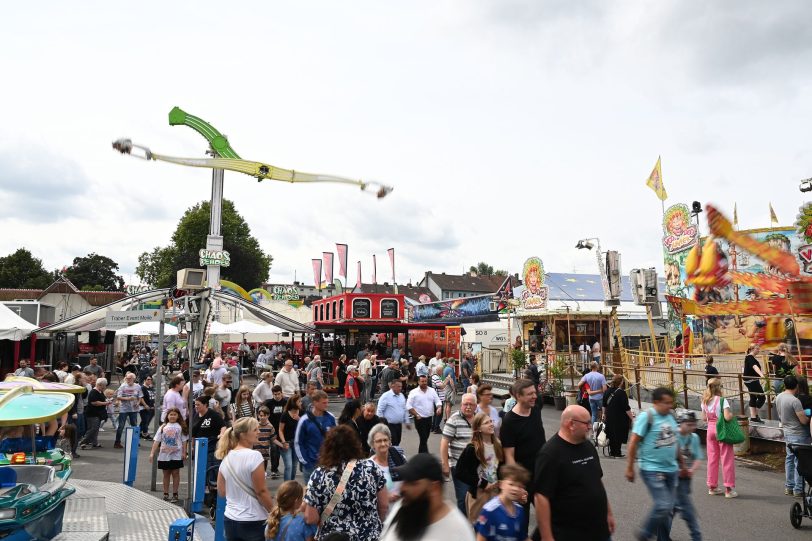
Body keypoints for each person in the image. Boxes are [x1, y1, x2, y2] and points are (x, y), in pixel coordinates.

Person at [534, 405, 614, 541]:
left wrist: (608, 513)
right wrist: (547, 537)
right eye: (587, 423)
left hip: (598, 529)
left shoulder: (588, 446)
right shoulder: (550, 454)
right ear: (571, 424)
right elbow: (541, 498)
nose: (590, 426)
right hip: (570, 533)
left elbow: (597, 482)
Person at [303, 425, 389, 541]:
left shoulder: (319, 475)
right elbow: (384, 506)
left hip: (332, 537)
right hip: (368, 536)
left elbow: (310, 518)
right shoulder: (371, 468)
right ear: (355, 445)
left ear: (328, 447)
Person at [625, 386, 680, 541]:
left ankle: (663, 538)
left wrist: (681, 463)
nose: (670, 406)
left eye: (671, 403)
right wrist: (630, 468)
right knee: (663, 504)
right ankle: (645, 533)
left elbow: (674, 441)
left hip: (671, 468)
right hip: (651, 468)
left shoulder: (670, 416)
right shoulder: (646, 417)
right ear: (656, 402)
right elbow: (633, 442)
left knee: (671, 506)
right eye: (666, 403)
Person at [379, 453, 475, 541]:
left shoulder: (458, 532)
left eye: (412, 483)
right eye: (404, 481)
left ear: (434, 488)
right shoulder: (405, 506)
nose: (403, 488)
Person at [216, 417, 275, 541]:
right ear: (243, 435)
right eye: (255, 430)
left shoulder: (226, 457)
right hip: (253, 519)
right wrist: (275, 512)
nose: (258, 432)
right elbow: (261, 492)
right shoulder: (254, 456)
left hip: (230, 518)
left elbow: (221, 491)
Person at [500, 379, 546, 535]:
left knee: (550, 518)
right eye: (530, 394)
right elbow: (509, 457)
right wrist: (517, 485)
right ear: (518, 396)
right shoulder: (509, 421)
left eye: (535, 392)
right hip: (524, 480)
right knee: (522, 522)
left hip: (541, 475)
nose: (534, 396)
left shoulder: (536, 409)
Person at [454, 413, 503, 519]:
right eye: (486, 423)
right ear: (478, 429)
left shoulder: (498, 445)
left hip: (496, 493)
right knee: (480, 530)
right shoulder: (473, 448)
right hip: (479, 494)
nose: (491, 424)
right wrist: (483, 484)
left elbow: (500, 466)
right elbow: (460, 472)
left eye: (491, 421)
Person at [441, 392, 477, 515]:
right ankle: (464, 526)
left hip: (477, 467)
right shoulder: (454, 419)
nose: (468, 407)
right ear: (461, 405)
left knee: (476, 497)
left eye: (471, 404)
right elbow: (444, 443)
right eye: (465, 404)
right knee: (463, 498)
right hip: (458, 466)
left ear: (476, 406)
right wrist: (445, 464)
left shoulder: (479, 419)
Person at [700, 377, 737, 498]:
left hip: (710, 430)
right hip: (721, 430)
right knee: (726, 459)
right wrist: (731, 415)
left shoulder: (705, 401)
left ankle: (712, 486)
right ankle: (728, 489)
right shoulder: (722, 400)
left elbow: (704, 418)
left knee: (712, 459)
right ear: (718, 387)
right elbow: (727, 417)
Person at [776, 375, 811, 497]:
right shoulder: (794, 401)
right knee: (800, 461)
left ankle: (789, 487)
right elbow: (803, 421)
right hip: (799, 434)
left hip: (787, 432)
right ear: (796, 385)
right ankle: (798, 489)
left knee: (789, 459)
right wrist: (808, 415)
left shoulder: (779, 397)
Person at [474, 464, 530, 541]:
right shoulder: (489, 510)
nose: (515, 489)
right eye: (511, 484)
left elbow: (523, 537)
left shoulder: (520, 510)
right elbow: (480, 538)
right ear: (501, 485)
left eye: (520, 486)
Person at [671, 410, 703, 541]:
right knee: (685, 508)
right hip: (671, 477)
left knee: (671, 507)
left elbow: (698, 458)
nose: (692, 427)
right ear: (680, 423)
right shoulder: (672, 436)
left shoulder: (694, 438)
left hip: (685, 478)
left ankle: (661, 533)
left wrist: (691, 470)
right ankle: (696, 536)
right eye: (688, 424)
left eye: (693, 424)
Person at [294, 390, 337, 483]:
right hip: (311, 465)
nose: (326, 405)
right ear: (315, 403)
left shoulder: (331, 418)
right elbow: (298, 443)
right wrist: (305, 462)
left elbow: (336, 440)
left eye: (327, 402)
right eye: (324, 403)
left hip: (328, 464)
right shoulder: (304, 420)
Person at [149, 407, 188, 503]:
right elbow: (157, 440)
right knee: (166, 474)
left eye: (175, 414)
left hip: (176, 455)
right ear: (167, 416)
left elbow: (184, 441)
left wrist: (184, 452)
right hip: (164, 455)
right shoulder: (163, 427)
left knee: (175, 473)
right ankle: (165, 493)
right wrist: (152, 453)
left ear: (178, 416)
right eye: (171, 414)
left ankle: (175, 494)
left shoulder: (180, 427)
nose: (173, 416)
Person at [368, 423, 407, 504]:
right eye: (379, 441)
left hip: (401, 509)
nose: (383, 444)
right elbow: (366, 495)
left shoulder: (398, 455)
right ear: (372, 444)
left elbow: (409, 478)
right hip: (381, 513)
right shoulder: (368, 466)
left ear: (390, 441)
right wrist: (385, 497)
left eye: (385, 440)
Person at [407, 375, 442, 454]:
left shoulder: (432, 391)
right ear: (418, 382)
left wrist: (439, 407)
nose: (424, 383)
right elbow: (408, 406)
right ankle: (424, 455)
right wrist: (416, 414)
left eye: (425, 381)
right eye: (422, 381)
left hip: (429, 418)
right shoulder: (413, 392)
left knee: (425, 437)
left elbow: (438, 401)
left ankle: (422, 455)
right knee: (423, 437)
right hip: (419, 419)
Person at [603, 374, 633, 458]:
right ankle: (617, 452)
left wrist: (603, 414)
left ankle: (613, 452)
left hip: (609, 416)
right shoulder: (622, 393)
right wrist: (632, 418)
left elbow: (604, 404)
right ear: (621, 382)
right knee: (619, 434)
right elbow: (626, 408)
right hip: (619, 417)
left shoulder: (607, 391)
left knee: (611, 434)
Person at [112, 372, 143, 449]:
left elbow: (140, 396)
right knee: (121, 426)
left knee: (134, 425)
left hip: (134, 409)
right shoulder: (123, 386)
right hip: (124, 409)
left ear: (133, 379)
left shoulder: (138, 386)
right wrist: (128, 399)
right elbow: (118, 397)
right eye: (127, 378)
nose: (128, 380)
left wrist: (138, 403)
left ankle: (135, 441)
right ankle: (117, 442)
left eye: (130, 378)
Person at [377, 380, 410, 446]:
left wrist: (407, 421)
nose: (400, 388)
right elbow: (380, 410)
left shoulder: (401, 396)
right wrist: (381, 424)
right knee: (393, 443)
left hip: (398, 425)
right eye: (398, 386)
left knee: (398, 441)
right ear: (392, 386)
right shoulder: (386, 396)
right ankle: (392, 455)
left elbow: (405, 409)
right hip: (389, 425)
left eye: (401, 386)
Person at [79, 377, 108, 449]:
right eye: (104, 385)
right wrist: (105, 403)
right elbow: (94, 402)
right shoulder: (94, 392)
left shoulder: (100, 391)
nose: (105, 387)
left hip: (97, 413)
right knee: (93, 428)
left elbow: (102, 399)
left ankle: (95, 442)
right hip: (92, 413)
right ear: (100, 385)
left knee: (95, 428)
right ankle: (83, 441)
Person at [278, 394, 302, 482]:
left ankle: (291, 484)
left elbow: (306, 427)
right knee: (289, 466)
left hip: (297, 443)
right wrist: (283, 442)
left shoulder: (302, 412)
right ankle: (286, 486)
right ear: (294, 403)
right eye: (299, 401)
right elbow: (280, 430)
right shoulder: (285, 414)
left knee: (295, 466)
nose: (301, 403)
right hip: (287, 442)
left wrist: (300, 419)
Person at [254, 406, 283, 478]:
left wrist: (282, 445)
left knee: (263, 473)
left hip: (265, 454)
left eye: (265, 415)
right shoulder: (255, 425)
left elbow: (273, 439)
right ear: (258, 415)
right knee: (255, 473)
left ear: (268, 415)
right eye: (261, 415)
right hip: (255, 454)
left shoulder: (270, 427)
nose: (262, 417)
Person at [579, 361, 607, 426]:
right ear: (596, 366)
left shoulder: (587, 375)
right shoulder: (601, 376)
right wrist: (600, 390)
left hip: (591, 398)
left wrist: (583, 389)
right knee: (604, 412)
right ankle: (602, 428)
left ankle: (593, 430)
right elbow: (605, 389)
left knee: (594, 414)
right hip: (600, 397)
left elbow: (579, 384)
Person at [743, 344, 766, 423]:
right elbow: (754, 366)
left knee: (753, 397)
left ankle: (753, 417)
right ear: (752, 349)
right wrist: (762, 375)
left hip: (750, 380)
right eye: (757, 349)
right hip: (752, 381)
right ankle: (755, 415)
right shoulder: (750, 357)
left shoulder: (749, 357)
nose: (758, 350)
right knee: (762, 398)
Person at [431, 365, 447, 434]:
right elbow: (442, 386)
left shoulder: (435, 377)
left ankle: (434, 427)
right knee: (439, 414)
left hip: (437, 397)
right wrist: (447, 380)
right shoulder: (436, 377)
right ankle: (436, 428)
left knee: (436, 413)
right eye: (442, 370)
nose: (442, 372)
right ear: (439, 371)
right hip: (439, 398)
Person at [139, 375, 156, 439]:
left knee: (145, 421)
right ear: (144, 380)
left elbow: (152, 397)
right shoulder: (142, 388)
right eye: (148, 379)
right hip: (144, 408)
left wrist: (154, 404)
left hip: (151, 407)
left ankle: (139, 432)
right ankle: (145, 434)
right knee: (145, 421)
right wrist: (145, 405)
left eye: (151, 379)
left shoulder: (150, 387)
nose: (150, 381)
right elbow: (141, 397)